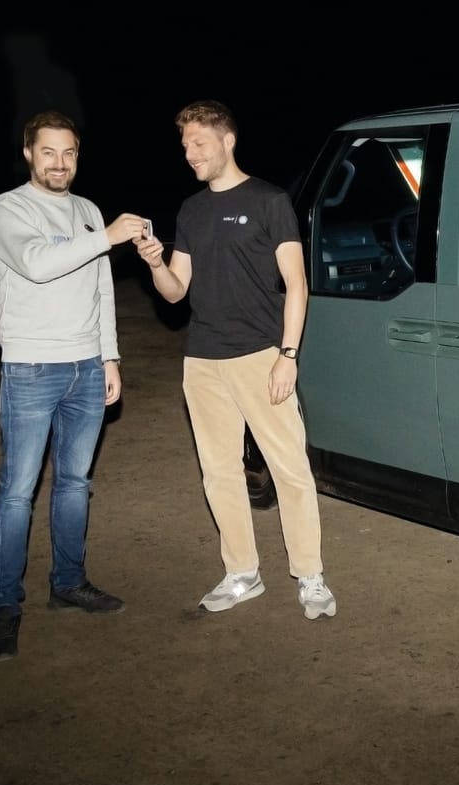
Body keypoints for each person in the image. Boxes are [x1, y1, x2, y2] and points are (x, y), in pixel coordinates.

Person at [134, 100, 336, 620]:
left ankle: (310, 575)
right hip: (202, 361)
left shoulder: (270, 201)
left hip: (260, 355)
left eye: (199, 142)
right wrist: (156, 264)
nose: (190, 153)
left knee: (290, 469)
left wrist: (288, 355)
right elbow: (176, 291)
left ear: (228, 140)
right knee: (219, 472)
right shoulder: (191, 210)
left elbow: (296, 284)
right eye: (185, 145)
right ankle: (243, 573)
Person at [0, 109, 151, 662]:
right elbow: (36, 263)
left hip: (86, 367)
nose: (59, 163)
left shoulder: (87, 211)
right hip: (31, 367)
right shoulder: (10, 207)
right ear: (28, 153)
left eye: (69, 152)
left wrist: (110, 357)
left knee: (75, 483)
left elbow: (102, 288)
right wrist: (107, 236)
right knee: (17, 491)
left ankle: (68, 583)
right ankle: (5, 607)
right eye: (48, 152)